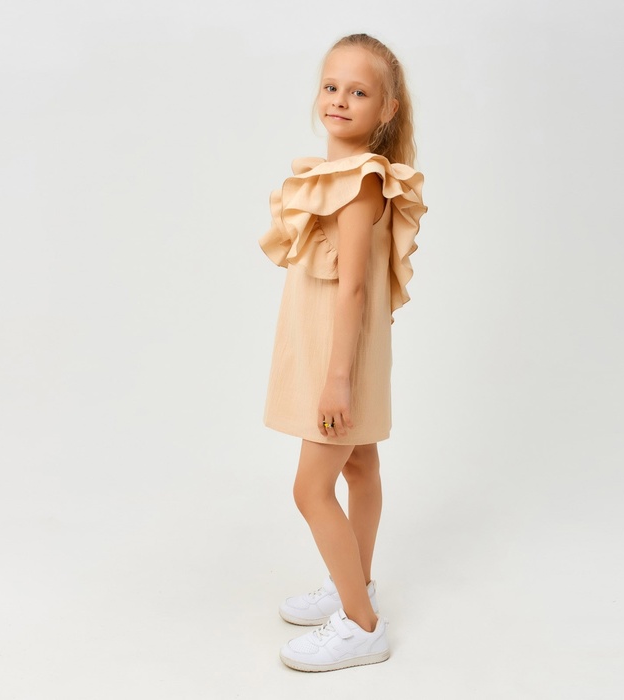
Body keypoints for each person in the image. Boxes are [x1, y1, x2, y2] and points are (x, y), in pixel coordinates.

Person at [259, 33, 427, 672]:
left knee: (311, 489)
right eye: (331, 86)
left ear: (386, 110)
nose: (339, 99)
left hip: (340, 360)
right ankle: (352, 582)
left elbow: (355, 287)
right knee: (358, 467)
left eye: (358, 91)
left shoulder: (360, 183)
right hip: (334, 350)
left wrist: (339, 381)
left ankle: (361, 625)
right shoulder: (335, 177)